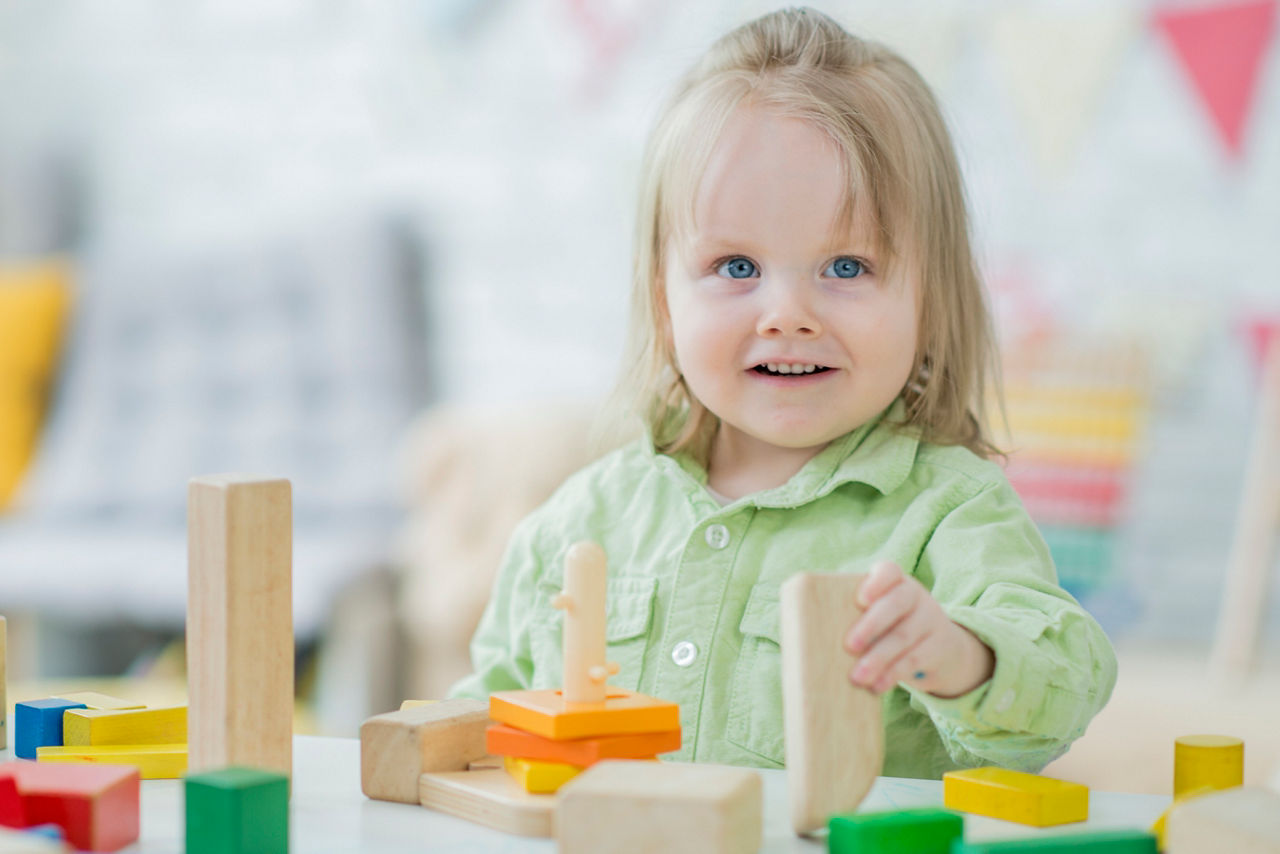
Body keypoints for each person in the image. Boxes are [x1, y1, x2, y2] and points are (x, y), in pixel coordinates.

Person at [450, 7, 1117, 778]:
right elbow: (484, 739)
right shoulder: (576, 525)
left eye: (846, 267)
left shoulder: (953, 514)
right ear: (666, 303)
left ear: (928, 301)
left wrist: (961, 657)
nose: (788, 316)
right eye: (736, 267)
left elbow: (1065, 683)